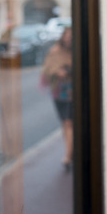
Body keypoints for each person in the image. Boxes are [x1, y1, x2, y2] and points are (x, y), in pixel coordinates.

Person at [42, 27, 73, 172]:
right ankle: (70, 150)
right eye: (66, 36)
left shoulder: (75, 51)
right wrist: (57, 71)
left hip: (72, 91)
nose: (68, 39)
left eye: (71, 36)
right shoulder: (54, 51)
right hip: (58, 91)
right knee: (65, 123)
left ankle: (68, 155)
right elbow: (47, 68)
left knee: (69, 123)